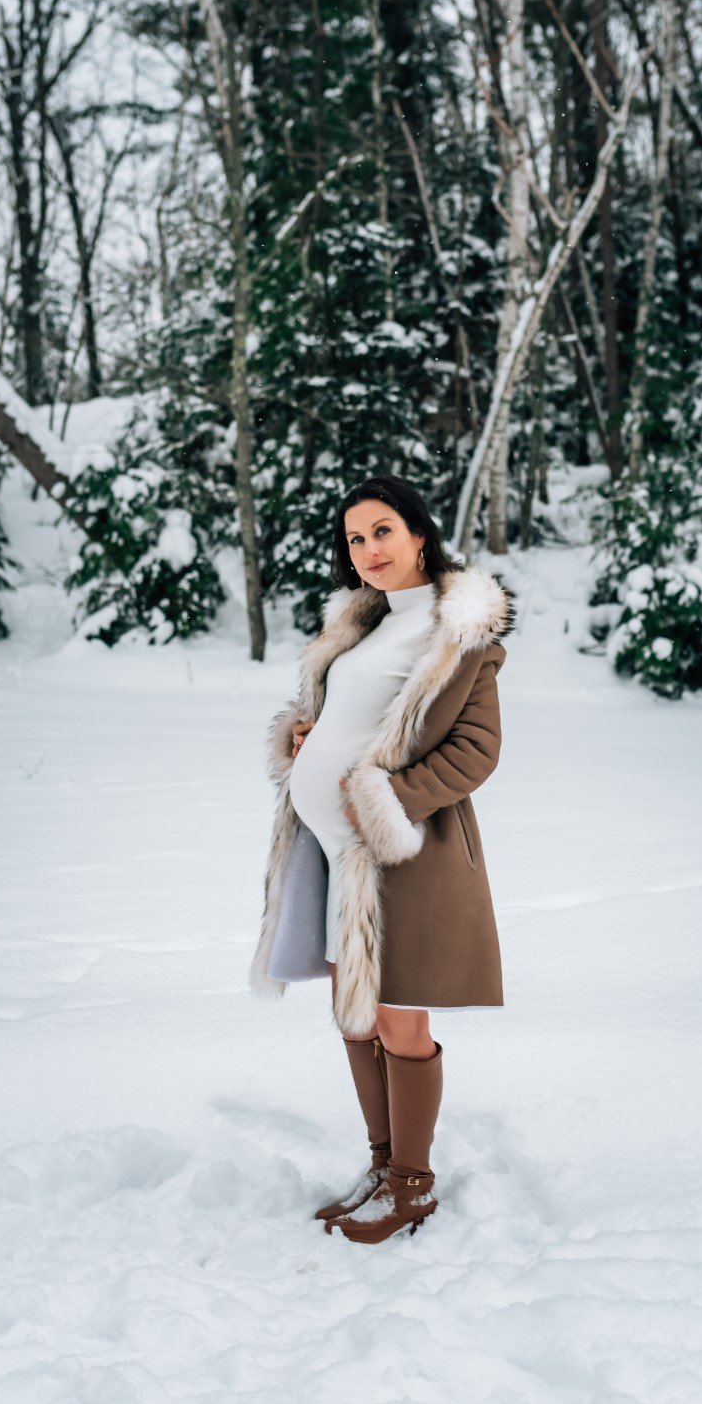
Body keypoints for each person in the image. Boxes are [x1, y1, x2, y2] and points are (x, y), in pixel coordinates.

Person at [250, 475, 514, 1244]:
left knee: (398, 1017)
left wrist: (386, 800)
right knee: (353, 1013)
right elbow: (351, 718)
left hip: (403, 855)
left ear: (420, 534)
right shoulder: (365, 627)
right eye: (355, 539)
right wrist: (307, 736)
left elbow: (475, 751)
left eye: (382, 531)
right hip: (331, 852)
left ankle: (412, 1186)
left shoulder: (458, 632)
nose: (368, 550)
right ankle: (381, 1163)